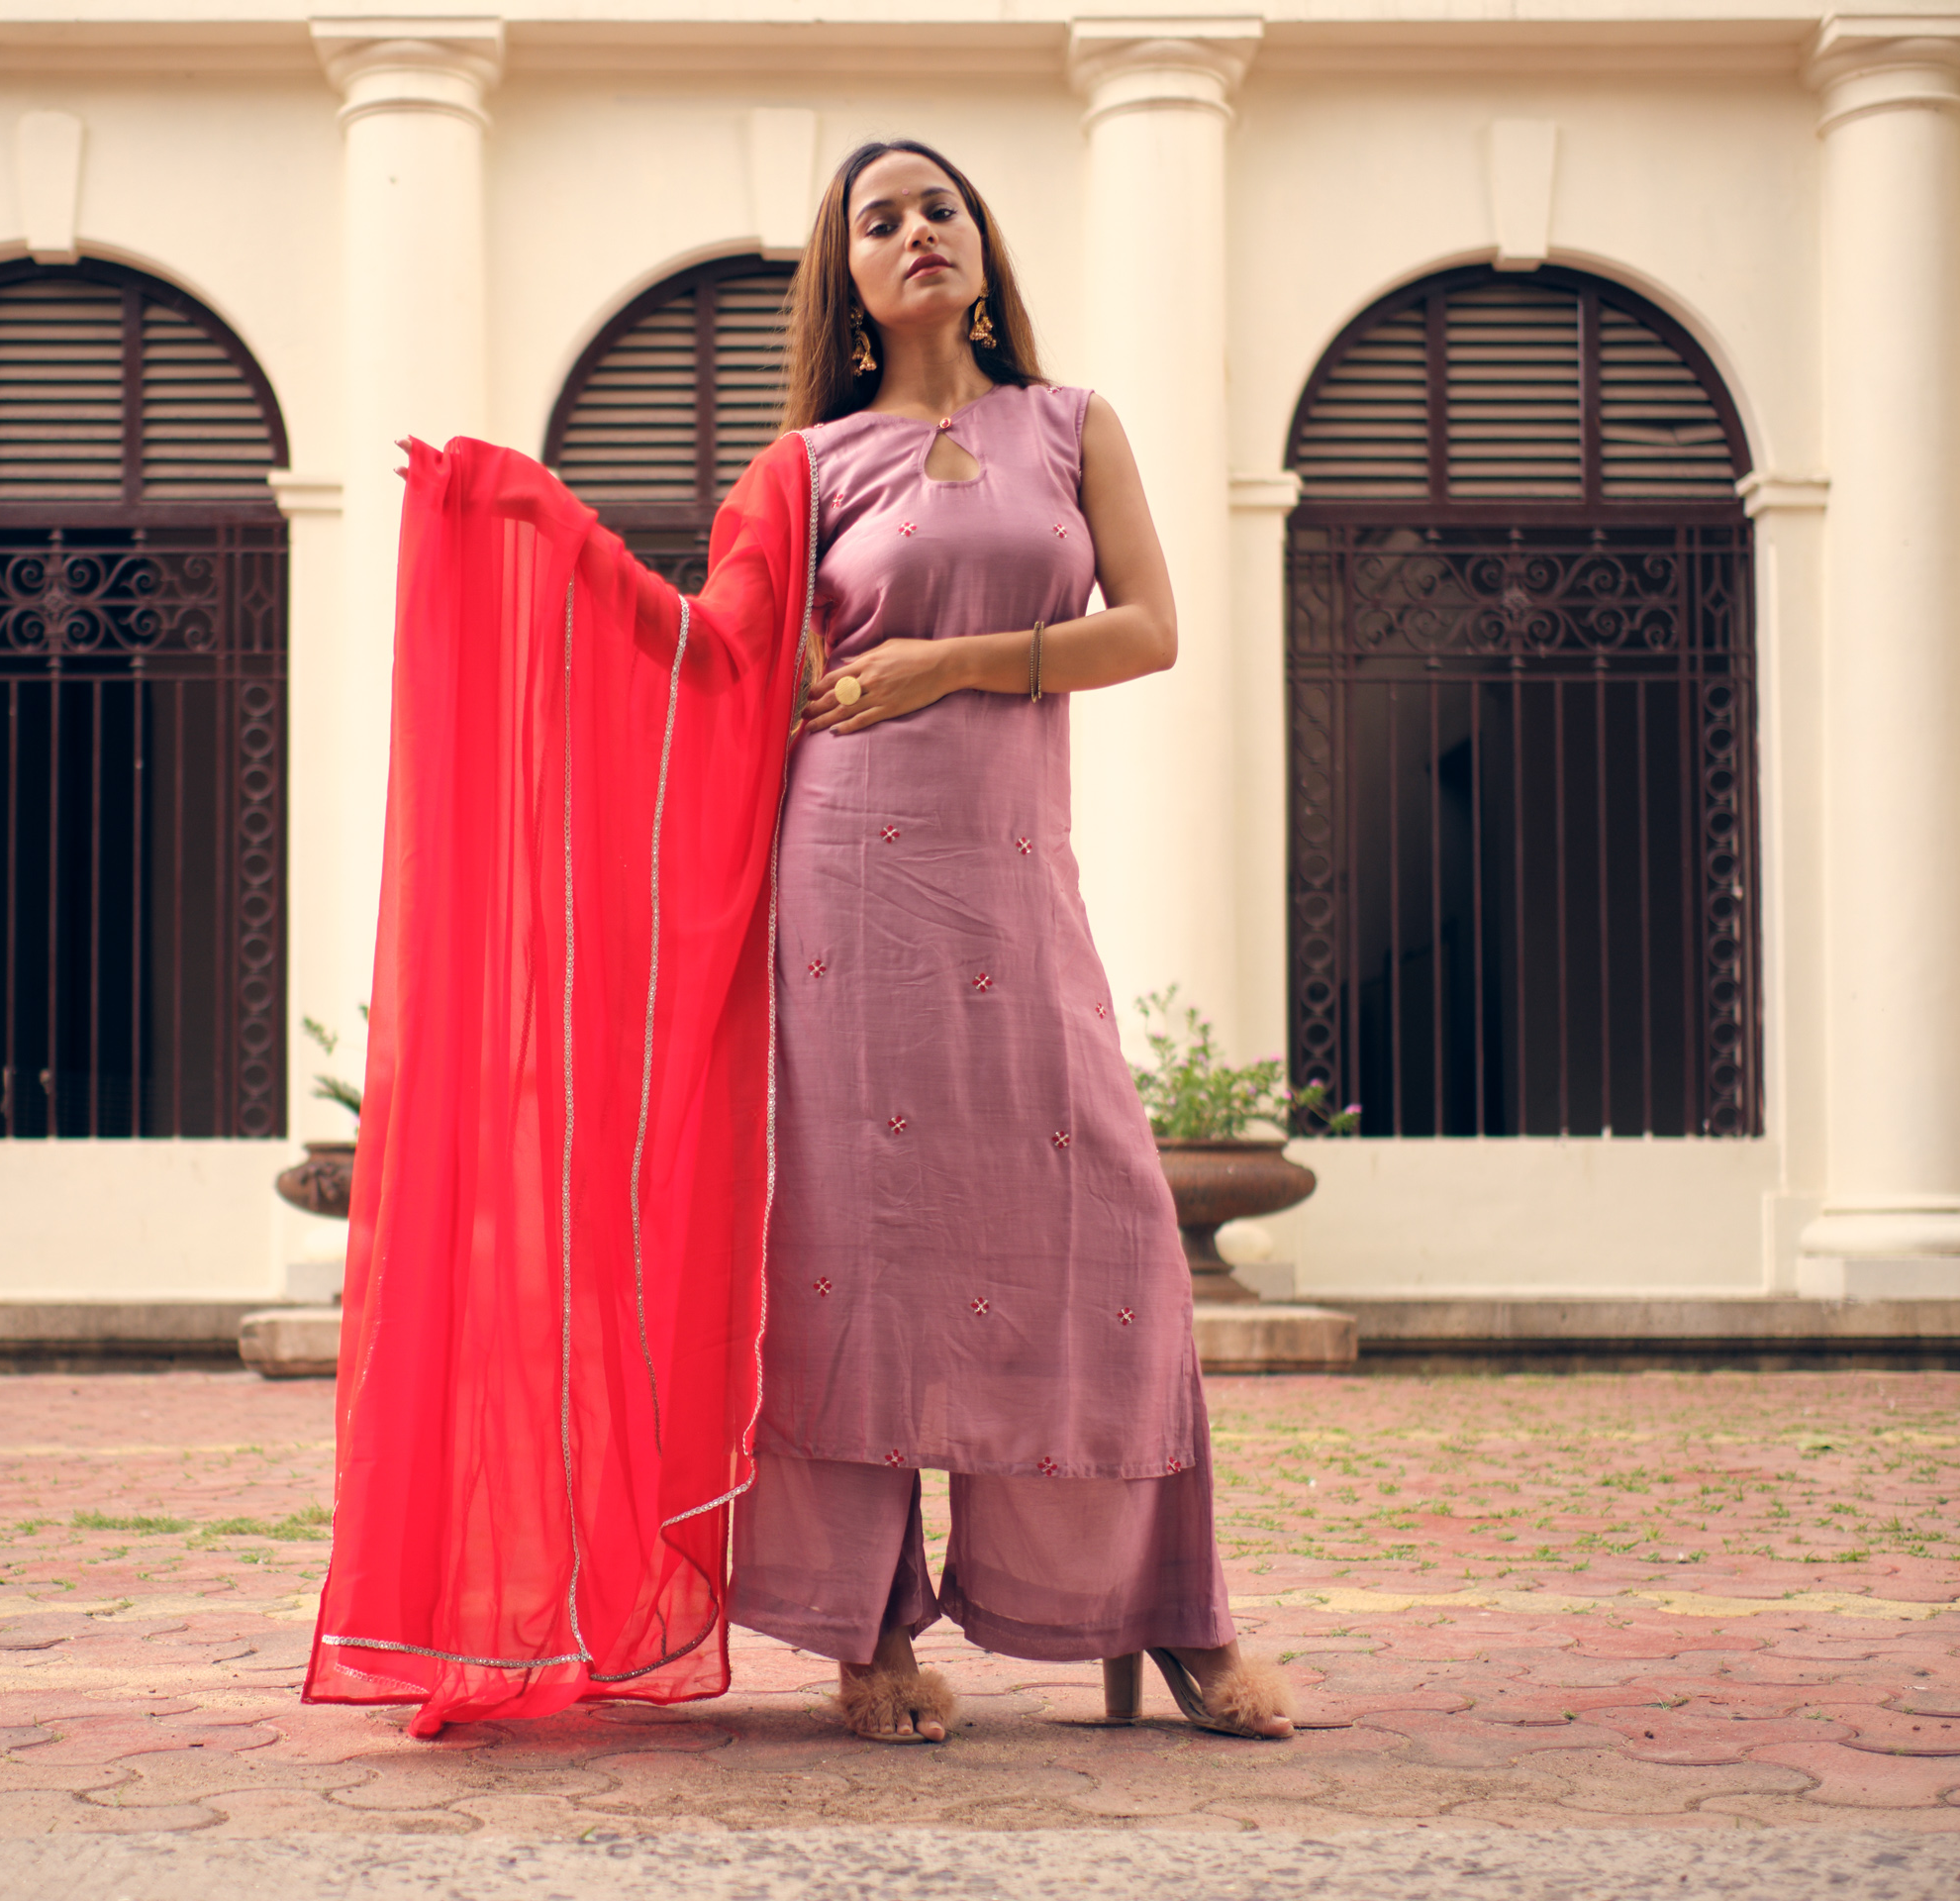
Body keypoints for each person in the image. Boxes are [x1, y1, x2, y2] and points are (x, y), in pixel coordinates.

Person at [302, 139, 1294, 1749]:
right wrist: (541, 532)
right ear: (846, 276)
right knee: (859, 1262)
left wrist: (946, 663)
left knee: (1108, 1234)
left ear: (982, 241)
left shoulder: (1073, 426)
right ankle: (867, 1636)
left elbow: (1151, 628)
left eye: (942, 206)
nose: (919, 232)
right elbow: (718, 656)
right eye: (881, 220)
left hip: (1015, 882)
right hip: (848, 892)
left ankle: (1165, 1616)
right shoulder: (807, 465)